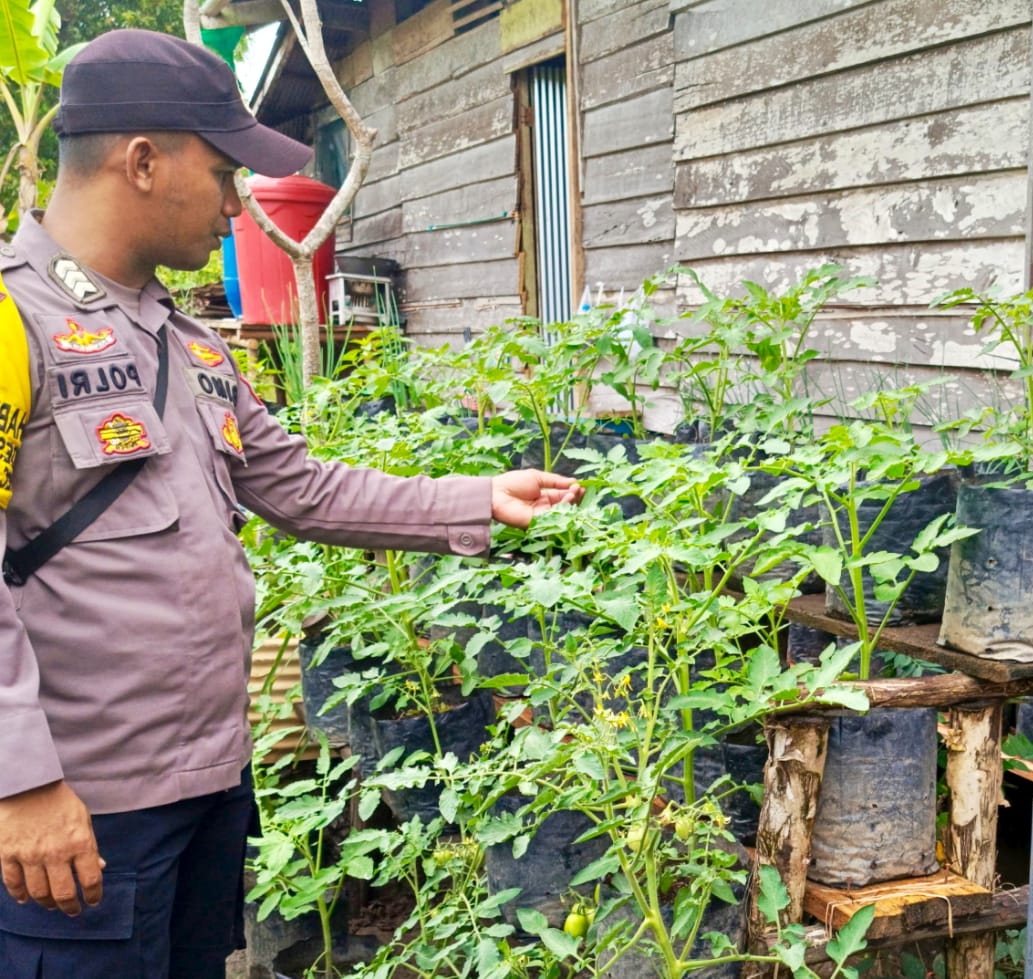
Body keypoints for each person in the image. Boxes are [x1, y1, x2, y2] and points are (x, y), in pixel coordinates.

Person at [0, 29, 581, 979]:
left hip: (203, 785)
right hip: (76, 809)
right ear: (142, 162)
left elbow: (301, 486)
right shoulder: (9, 321)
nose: (238, 205)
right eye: (224, 171)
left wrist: (479, 496)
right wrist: (19, 781)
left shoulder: (187, 343)